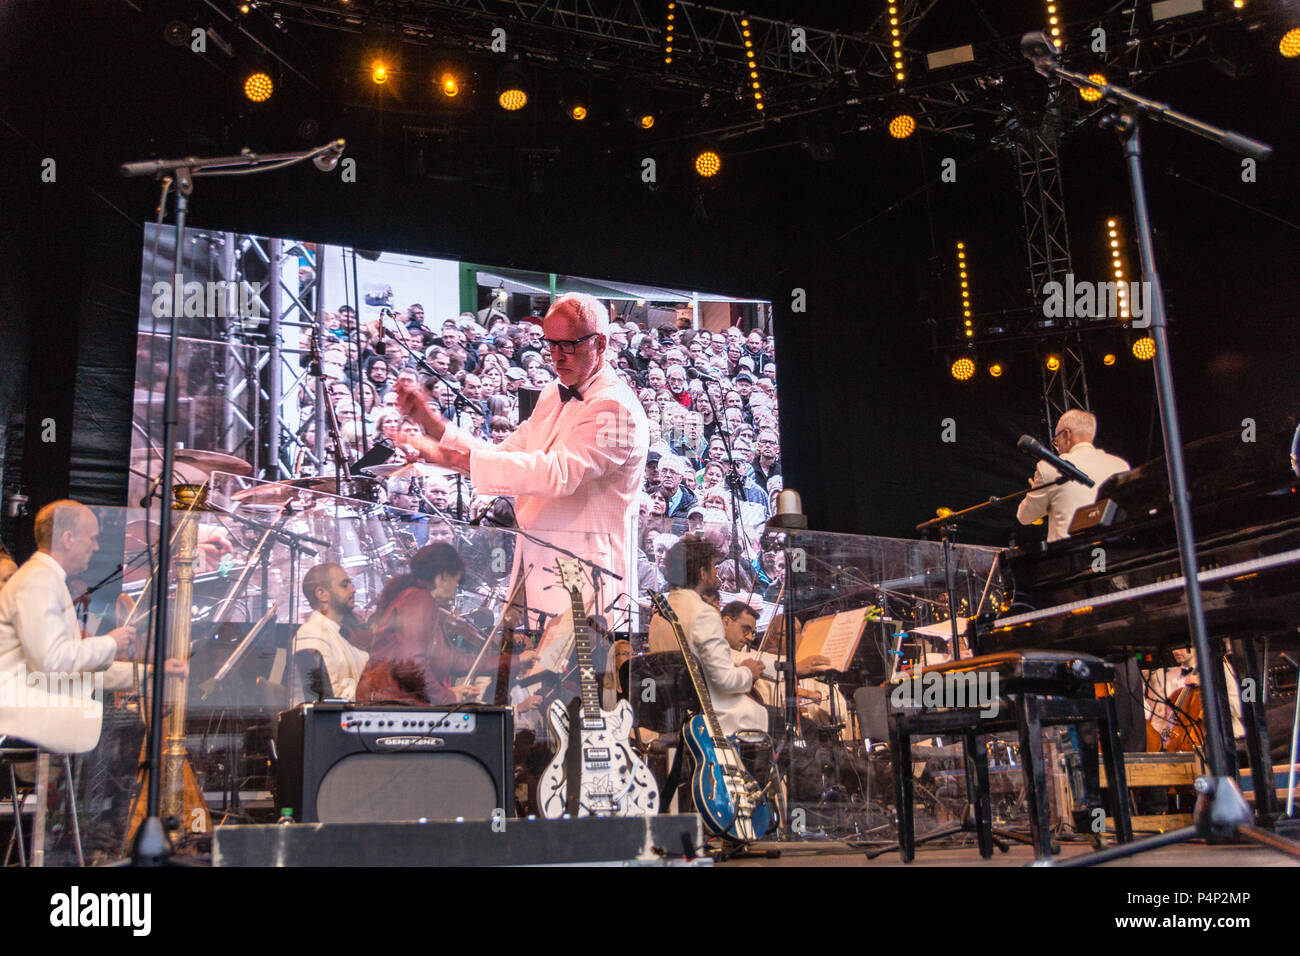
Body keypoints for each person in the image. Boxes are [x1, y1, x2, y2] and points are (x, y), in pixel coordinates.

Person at [396, 292, 648, 623]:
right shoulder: (550, 394)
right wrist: (436, 426)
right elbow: (505, 455)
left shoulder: (616, 408)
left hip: (586, 578)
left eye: (567, 345)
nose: (556, 356)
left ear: (600, 343)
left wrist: (450, 459)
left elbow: (557, 474)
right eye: (551, 344)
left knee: (581, 673)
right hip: (532, 562)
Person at [0, 500, 182, 753]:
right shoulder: (39, 580)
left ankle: (102, 792)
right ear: (67, 538)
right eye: (92, 539)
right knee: (125, 724)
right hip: (20, 709)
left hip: (34, 700)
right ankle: (101, 793)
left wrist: (151, 673)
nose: (96, 547)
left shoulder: (45, 578)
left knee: (126, 721)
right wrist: (111, 642)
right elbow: (51, 662)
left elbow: (75, 669)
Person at [647, 535, 767, 735]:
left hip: (673, 719)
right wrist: (748, 672)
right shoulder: (704, 612)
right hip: (711, 720)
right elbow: (725, 680)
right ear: (702, 573)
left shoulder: (658, 617)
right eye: (714, 568)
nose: (717, 575)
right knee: (773, 717)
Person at [354, 543, 479, 705]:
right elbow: (411, 663)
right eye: (456, 581)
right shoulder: (419, 599)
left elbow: (446, 660)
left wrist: (512, 661)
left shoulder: (413, 597)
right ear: (443, 576)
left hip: (388, 702)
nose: (456, 587)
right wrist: (447, 696)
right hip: (393, 707)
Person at [1016, 409, 1130, 542]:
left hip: (1071, 556)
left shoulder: (1049, 466)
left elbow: (1024, 517)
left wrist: (1036, 491)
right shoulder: (1121, 465)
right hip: (1113, 552)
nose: (1057, 449)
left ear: (1066, 434)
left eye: (1056, 442)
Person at [292, 563, 370, 702]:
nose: (353, 589)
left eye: (351, 583)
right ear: (322, 594)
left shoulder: (343, 634)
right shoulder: (310, 636)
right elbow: (319, 704)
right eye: (344, 584)